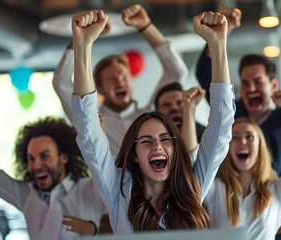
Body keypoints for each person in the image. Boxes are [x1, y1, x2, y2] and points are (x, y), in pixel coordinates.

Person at [70, 8, 235, 234]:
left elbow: (222, 127)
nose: (157, 145)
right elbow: (88, 130)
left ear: (176, 150)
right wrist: (83, 46)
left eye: (165, 139)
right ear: (135, 155)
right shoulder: (118, 192)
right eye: (146, 141)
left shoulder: (192, 186)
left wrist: (218, 45)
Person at [196, 8, 281, 238]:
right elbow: (210, 79)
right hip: (241, 214)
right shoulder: (233, 117)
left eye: (258, 82)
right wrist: (217, 37)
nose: (251, 88)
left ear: (273, 86)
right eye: (245, 83)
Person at [52, 4, 189, 156]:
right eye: (112, 79)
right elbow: (61, 82)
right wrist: (79, 40)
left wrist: (145, 26)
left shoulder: (152, 114)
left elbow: (177, 73)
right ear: (100, 87)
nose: (120, 82)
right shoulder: (90, 120)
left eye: (124, 76)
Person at [205, 90, 281, 240]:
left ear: (260, 147)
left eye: (250, 137)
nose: (242, 142)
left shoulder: (278, 190)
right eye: (235, 137)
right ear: (227, 147)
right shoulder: (215, 189)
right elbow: (192, 163)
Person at [0, 117, 107, 240]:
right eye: (31, 159)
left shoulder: (90, 190)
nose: (36, 165)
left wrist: (97, 138)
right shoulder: (27, 195)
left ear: (64, 158)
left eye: (44, 156)